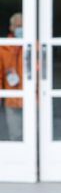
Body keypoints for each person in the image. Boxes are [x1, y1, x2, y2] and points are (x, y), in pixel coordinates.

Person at [0, 12, 24, 141]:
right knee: (16, 136)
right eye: (18, 26)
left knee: (35, 136)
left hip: (32, 99)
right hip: (12, 99)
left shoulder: (34, 45)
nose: (21, 29)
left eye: (22, 26)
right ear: (11, 28)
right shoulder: (3, 47)